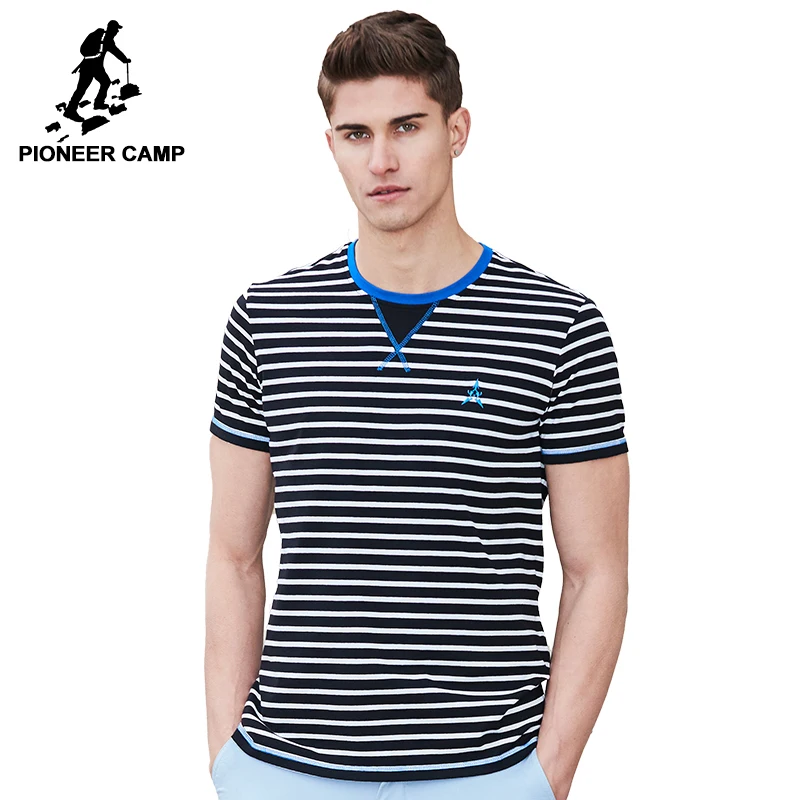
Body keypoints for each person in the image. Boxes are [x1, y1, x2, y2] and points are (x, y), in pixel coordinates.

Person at [205, 10, 630, 800]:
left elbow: (596, 570)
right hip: (284, 771)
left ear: (456, 130)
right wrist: (231, 763)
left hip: (485, 773)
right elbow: (233, 556)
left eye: (407, 126)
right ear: (331, 144)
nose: (382, 160)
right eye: (356, 134)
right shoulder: (267, 320)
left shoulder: (558, 325)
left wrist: (544, 777)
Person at [63, 19, 130, 122]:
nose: (117, 31)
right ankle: (70, 111)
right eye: (116, 29)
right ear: (111, 29)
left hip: (93, 66)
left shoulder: (103, 37)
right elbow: (114, 51)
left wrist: (124, 59)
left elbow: (114, 51)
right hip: (90, 67)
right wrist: (124, 60)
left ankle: (98, 103)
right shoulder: (104, 38)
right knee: (82, 88)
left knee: (105, 82)